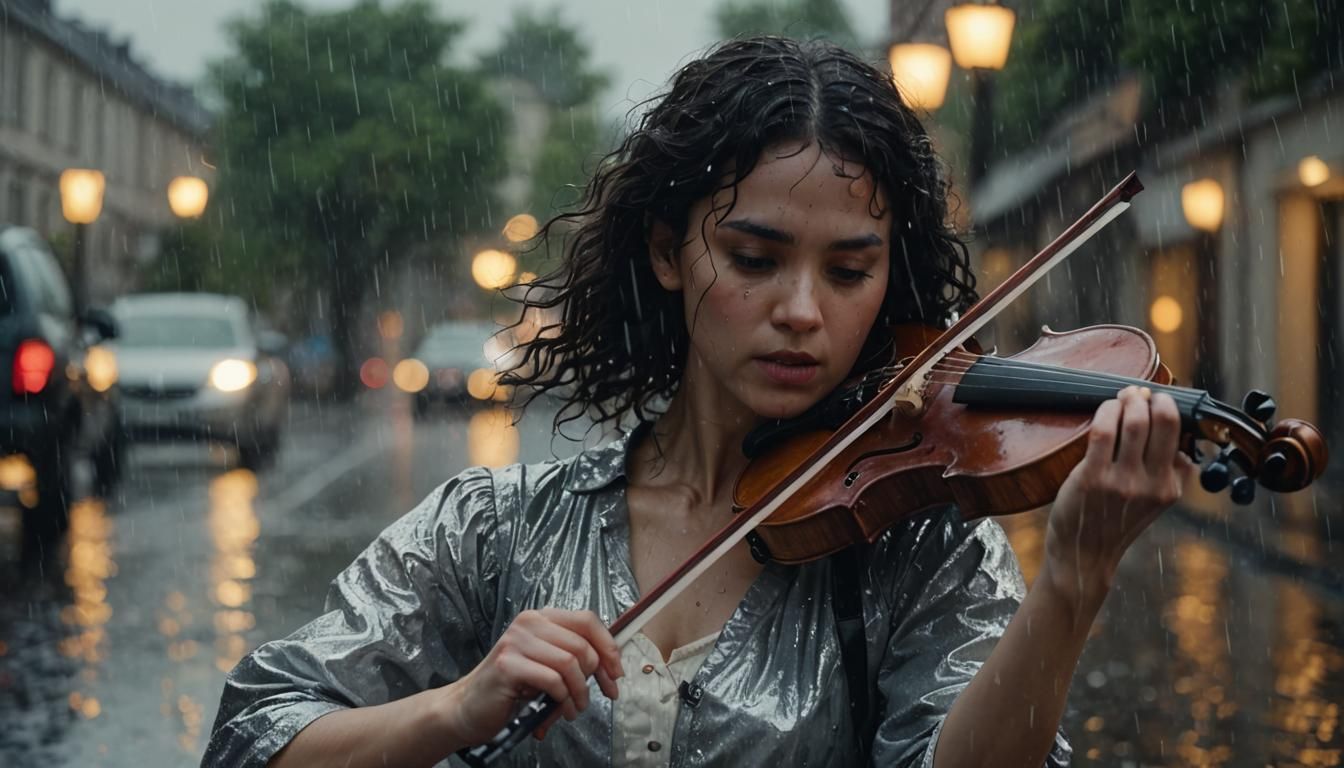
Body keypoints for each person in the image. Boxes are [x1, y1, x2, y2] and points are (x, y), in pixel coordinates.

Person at [204, 36, 1191, 768]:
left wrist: (1071, 583)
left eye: (849, 271)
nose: (802, 311)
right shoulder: (492, 530)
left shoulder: (921, 552)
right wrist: (455, 709)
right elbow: (255, 735)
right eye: (755, 259)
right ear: (670, 252)